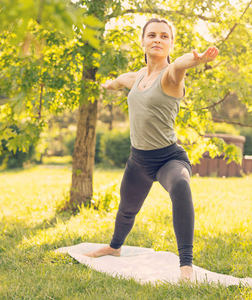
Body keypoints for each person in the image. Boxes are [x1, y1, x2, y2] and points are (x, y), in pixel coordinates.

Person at [83, 18, 219, 281]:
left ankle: (186, 265)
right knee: (126, 209)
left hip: (168, 158)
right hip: (138, 161)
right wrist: (107, 85)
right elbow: (121, 80)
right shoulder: (137, 77)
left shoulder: (170, 76)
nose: (158, 39)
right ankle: (114, 248)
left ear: (171, 44)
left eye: (165, 36)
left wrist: (196, 60)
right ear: (143, 41)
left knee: (181, 185)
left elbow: (179, 64)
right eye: (152, 35)